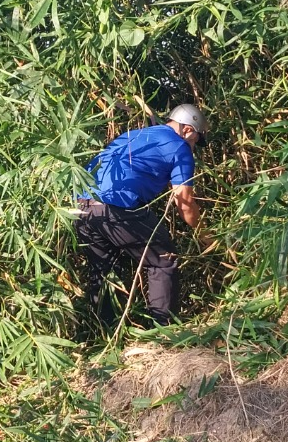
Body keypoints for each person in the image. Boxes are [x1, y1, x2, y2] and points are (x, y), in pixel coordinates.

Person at [75, 104, 208, 327]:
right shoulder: (179, 147)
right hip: (117, 206)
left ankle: (104, 333)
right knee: (163, 261)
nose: (193, 147)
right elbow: (184, 203)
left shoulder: (134, 135)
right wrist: (207, 237)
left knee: (105, 270)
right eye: (195, 140)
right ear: (188, 130)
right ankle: (163, 331)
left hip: (82, 206)